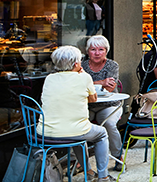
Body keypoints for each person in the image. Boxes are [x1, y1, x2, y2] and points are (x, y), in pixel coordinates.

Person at [41, 45, 112, 181]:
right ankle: (103, 177)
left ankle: (89, 172)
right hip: (74, 130)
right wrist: (84, 75)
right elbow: (93, 99)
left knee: (77, 133)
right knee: (101, 133)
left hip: (46, 132)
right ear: (76, 64)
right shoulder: (84, 78)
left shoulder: (49, 78)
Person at [81, 35, 123, 167]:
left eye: (101, 50)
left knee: (109, 124)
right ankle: (79, 159)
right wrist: (101, 82)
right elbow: (78, 86)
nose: (97, 53)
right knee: (78, 123)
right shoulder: (81, 66)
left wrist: (89, 85)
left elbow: (110, 88)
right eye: (93, 49)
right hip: (87, 105)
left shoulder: (112, 65)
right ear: (88, 51)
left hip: (109, 105)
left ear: (106, 51)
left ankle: (118, 156)